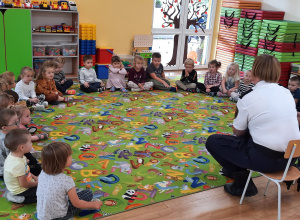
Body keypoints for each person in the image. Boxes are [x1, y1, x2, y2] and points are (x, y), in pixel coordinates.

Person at [206, 54, 300, 197]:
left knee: (213, 141)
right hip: (291, 159)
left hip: (266, 160)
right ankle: (236, 170)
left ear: (254, 71)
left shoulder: (248, 96)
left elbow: (237, 132)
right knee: (254, 131)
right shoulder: (286, 92)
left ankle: (242, 183)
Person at [37, 142, 102, 220]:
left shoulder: (42, 172)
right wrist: (94, 205)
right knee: (89, 193)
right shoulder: (66, 180)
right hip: (59, 217)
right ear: (61, 162)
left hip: (41, 215)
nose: (71, 157)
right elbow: (77, 203)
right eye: (69, 156)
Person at [0, 108, 41, 178]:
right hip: (6, 168)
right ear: (4, 128)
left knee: (28, 154)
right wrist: (24, 161)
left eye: (18, 120)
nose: (18, 124)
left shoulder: (9, 133)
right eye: (15, 123)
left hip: (14, 156)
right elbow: (12, 161)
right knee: (37, 170)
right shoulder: (6, 142)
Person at [4, 129, 38, 204]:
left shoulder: (16, 155)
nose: (31, 143)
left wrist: (35, 177)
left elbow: (26, 170)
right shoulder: (17, 165)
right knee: (44, 194)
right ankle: (18, 198)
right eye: (30, 141)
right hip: (20, 190)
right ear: (22, 147)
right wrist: (38, 183)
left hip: (24, 181)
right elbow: (24, 184)